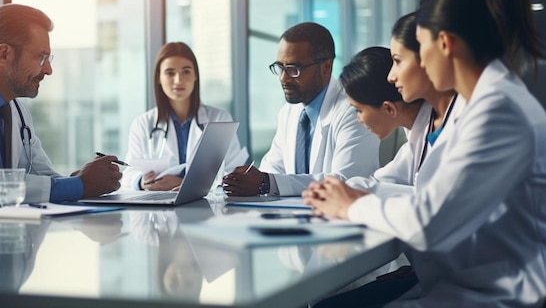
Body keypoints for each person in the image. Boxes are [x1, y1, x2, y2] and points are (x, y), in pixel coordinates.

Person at [304, 0, 546, 307]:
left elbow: (428, 222)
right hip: (461, 283)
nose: (396, 73)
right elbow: (425, 195)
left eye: (418, 45)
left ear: (444, 43)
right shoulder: (482, 104)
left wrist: (354, 204)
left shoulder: (499, 111)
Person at [0, 3, 122, 213]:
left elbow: (44, 177)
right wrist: (79, 185)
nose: (49, 70)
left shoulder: (17, 110)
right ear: (4, 54)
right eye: (41, 58)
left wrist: (82, 180)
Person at [223, 22, 379, 197]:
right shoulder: (288, 113)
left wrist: (267, 182)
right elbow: (274, 166)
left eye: (294, 69)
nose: (283, 78)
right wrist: (249, 179)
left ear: (326, 67)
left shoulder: (353, 110)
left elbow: (346, 180)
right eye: (280, 67)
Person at [345, 14, 462, 199]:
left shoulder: (463, 117)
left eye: (398, 61)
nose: (391, 77)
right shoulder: (421, 130)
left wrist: (354, 196)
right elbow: (383, 181)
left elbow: (436, 200)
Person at [123, 42, 248, 191]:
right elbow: (129, 172)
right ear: (158, 78)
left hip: (207, 206)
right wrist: (141, 182)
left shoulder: (219, 119)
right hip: (158, 206)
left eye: (186, 71)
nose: (178, 80)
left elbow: (232, 171)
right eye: (170, 73)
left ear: (195, 76)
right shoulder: (143, 124)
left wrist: (185, 185)